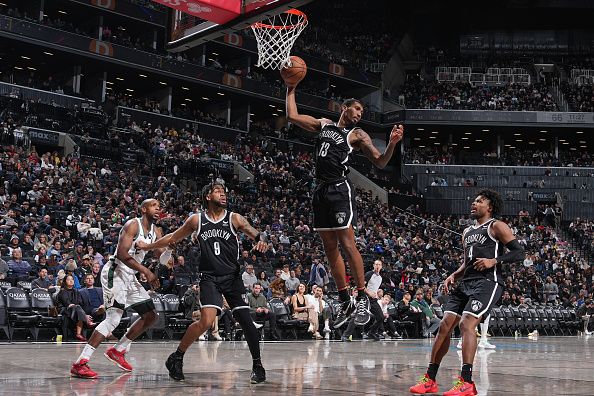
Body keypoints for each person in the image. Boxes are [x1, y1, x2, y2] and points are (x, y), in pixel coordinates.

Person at [285, 83, 404, 328]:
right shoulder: (325, 124)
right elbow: (292, 116)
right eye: (357, 109)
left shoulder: (357, 134)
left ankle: (361, 296)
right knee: (330, 249)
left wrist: (392, 143)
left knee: (347, 243)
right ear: (345, 108)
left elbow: (381, 163)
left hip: (339, 189)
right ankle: (344, 299)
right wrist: (291, 89)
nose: (360, 114)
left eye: (362, 112)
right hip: (320, 191)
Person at [135, 180, 268, 384]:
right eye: (218, 191)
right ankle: (177, 357)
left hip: (232, 277)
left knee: (246, 321)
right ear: (208, 197)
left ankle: (258, 366)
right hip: (209, 278)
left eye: (224, 192)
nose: (223, 195)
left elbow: (254, 231)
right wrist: (147, 247)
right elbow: (172, 237)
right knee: (206, 321)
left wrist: (261, 238)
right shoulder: (196, 220)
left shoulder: (234, 218)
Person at [410, 189, 524, 395]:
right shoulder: (467, 232)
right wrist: (454, 274)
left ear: (489, 207)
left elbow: (519, 253)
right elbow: (467, 263)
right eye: (473, 200)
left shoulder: (496, 226)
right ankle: (430, 379)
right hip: (466, 283)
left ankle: (467, 382)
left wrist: (494, 261)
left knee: (466, 324)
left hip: (488, 282)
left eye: (479, 201)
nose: (474, 203)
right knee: (444, 325)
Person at [70, 199, 164, 379]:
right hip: (116, 272)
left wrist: (169, 251)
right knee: (113, 318)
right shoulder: (132, 225)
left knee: (151, 315)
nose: (158, 208)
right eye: (154, 205)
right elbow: (122, 253)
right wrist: (147, 272)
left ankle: (118, 350)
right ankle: (80, 363)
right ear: (144, 209)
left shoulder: (156, 231)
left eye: (160, 206)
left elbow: (161, 255)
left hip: (131, 276)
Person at [57, 274, 94, 341]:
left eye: (72, 279)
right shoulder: (62, 291)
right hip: (65, 309)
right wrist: (72, 304)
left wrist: (74, 305)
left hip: (75, 310)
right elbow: (66, 302)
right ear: (65, 282)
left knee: (77, 307)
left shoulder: (76, 291)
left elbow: (79, 301)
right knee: (77, 308)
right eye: (68, 280)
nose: (71, 281)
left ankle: (78, 333)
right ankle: (86, 320)